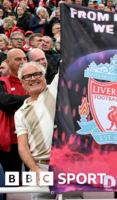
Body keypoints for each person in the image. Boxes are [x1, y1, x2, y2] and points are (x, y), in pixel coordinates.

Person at [15, 61, 83, 200]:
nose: (33, 78)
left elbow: (68, 60)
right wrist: (35, 169)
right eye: (27, 76)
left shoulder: (56, 89)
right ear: (21, 82)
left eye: (37, 74)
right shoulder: (20, 113)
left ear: (45, 76)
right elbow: (22, 147)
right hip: (41, 166)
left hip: (68, 163)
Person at [0, 49, 28, 200]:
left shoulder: (34, 81)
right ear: (8, 63)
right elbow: (4, 103)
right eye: (18, 59)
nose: (23, 61)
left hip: (34, 143)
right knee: (12, 184)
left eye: (24, 58)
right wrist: (30, 98)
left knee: (38, 183)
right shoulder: (2, 82)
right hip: (10, 144)